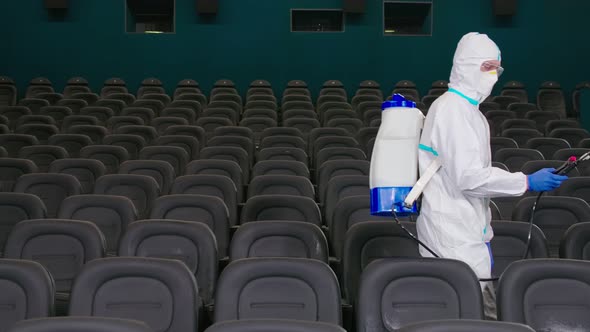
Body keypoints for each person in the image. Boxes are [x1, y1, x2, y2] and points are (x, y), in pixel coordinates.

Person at [416, 32, 568, 319]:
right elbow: (469, 178)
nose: (494, 75)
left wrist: (485, 232)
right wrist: (526, 181)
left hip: (469, 233)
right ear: (465, 65)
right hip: (451, 234)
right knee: (471, 318)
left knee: (479, 314)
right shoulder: (451, 109)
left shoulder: (472, 113)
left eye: (497, 68)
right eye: (486, 67)